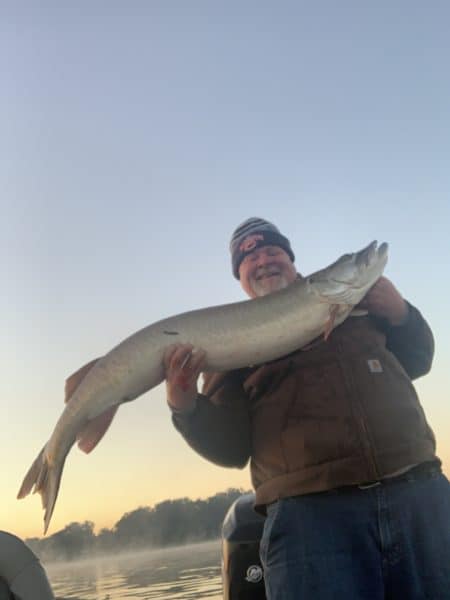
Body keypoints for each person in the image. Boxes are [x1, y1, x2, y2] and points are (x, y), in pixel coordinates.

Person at [163, 217, 450, 599]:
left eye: (272, 251)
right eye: (249, 259)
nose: (263, 261)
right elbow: (231, 448)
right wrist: (185, 407)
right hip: (310, 520)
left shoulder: (359, 301)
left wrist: (402, 314)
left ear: (290, 259)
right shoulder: (226, 341)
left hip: (419, 492)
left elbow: (418, 360)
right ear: (240, 277)